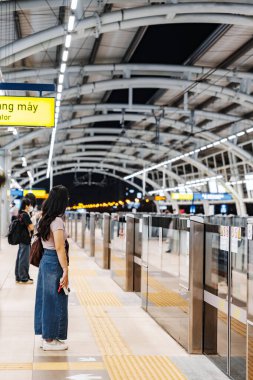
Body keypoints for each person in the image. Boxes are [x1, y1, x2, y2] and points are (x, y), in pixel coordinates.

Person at [35, 185, 69, 351]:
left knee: (46, 299)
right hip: (54, 261)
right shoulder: (57, 221)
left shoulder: (45, 218)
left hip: (45, 261)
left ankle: (48, 336)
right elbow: (60, 247)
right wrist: (66, 270)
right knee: (54, 300)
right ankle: (50, 340)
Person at [15, 198, 34, 284]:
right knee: (24, 259)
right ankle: (23, 278)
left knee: (20, 258)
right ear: (26, 206)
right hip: (25, 239)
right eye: (30, 205)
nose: (31, 207)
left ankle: (19, 277)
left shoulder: (20, 214)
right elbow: (31, 227)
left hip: (21, 239)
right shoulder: (25, 215)